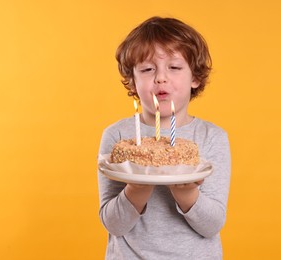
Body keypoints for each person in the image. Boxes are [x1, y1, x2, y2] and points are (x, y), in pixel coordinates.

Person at [98, 16, 231, 259]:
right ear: (132, 80)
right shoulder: (117, 136)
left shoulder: (212, 137)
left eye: (175, 67)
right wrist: (137, 187)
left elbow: (212, 225)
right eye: (148, 69)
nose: (161, 77)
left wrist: (186, 192)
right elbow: (114, 225)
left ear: (195, 77)